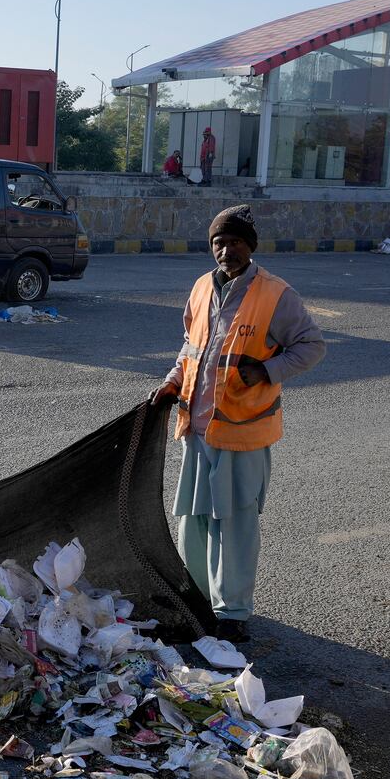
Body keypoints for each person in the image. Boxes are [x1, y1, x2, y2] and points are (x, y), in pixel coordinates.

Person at [150, 205, 325, 645]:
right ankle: (198, 599)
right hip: (197, 426)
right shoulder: (200, 287)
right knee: (193, 519)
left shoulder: (275, 294)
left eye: (235, 242)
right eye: (219, 242)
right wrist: (172, 382)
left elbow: (311, 346)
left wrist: (267, 371)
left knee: (235, 523)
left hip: (243, 431)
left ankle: (233, 612)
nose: (227, 250)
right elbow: (190, 347)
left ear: (251, 246)